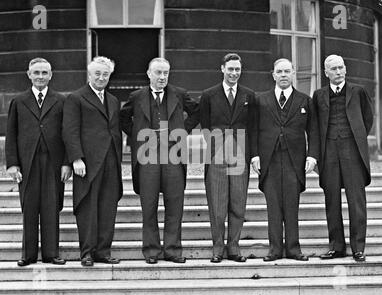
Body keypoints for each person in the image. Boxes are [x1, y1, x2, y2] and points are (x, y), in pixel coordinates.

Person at [120, 57, 199, 264]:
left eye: (165, 73)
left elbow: (197, 112)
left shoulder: (179, 94)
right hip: (147, 157)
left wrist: (183, 130)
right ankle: (151, 251)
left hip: (173, 155)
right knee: (149, 206)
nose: (162, 77)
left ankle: (173, 250)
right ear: (149, 74)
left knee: (175, 205)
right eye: (158, 73)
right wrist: (139, 136)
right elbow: (123, 118)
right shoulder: (136, 96)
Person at [5, 57, 72, 267]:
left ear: (51, 75)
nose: (40, 77)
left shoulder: (61, 100)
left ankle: (52, 253)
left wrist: (66, 163)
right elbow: (11, 134)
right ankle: (29, 254)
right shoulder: (18, 101)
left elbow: (68, 133)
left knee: (52, 207)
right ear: (29, 75)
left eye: (44, 73)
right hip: (28, 163)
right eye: (37, 73)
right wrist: (12, 164)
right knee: (30, 207)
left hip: (53, 162)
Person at [252, 58, 319, 262]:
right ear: (273, 74)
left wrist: (312, 156)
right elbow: (253, 130)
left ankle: (293, 249)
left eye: (287, 71)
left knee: (292, 205)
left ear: (293, 74)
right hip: (269, 160)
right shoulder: (260, 100)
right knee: (273, 205)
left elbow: (313, 131)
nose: (283, 75)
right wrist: (254, 155)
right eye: (279, 71)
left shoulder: (304, 100)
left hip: (294, 161)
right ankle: (274, 249)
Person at [62, 56, 122, 267]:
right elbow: (69, 130)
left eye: (105, 74)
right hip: (87, 164)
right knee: (87, 208)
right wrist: (75, 158)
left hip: (111, 162)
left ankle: (103, 252)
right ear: (89, 75)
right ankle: (87, 252)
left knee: (108, 208)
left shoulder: (113, 100)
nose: (101, 77)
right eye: (97, 73)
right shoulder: (76, 98)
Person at [313, 55, 373, 262]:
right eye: (333, 69)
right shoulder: (318, 95)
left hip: (353, 153)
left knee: (356, 202)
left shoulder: (358, 91)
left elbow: (367, 119)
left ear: (345, 69)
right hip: (328, 152)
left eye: (341, 68)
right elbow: (315, 126)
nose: (338, 72)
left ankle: (358, 248)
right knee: (332, 201)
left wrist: (356, 140)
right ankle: (336, 246)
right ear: (326, 72)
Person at [199, 53, 257, 263]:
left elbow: (252, 126)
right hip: (217, 154)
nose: (234, 73)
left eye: (237, 70)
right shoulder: (208, 95)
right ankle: (217, 248)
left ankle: (234, 247)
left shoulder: (249, 95)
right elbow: (204, 125)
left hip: (241, 154)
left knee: (238, 202)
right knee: (217, 203)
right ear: (222, 69)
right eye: (230, 69)